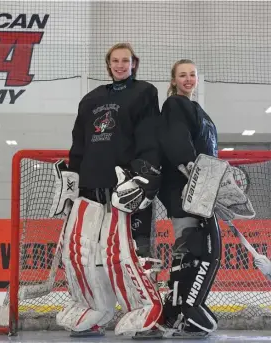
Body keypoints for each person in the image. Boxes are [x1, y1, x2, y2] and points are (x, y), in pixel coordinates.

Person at [49, 42, 163, 338]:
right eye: (115, 60)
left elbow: (149, 137)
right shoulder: (90, 99)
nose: (121, 65)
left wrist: (143, 177)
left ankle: (143, 310)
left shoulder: (144, 92)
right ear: (108, 64)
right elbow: (79, 145)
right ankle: (94, 309)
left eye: (126, 60)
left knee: (124, 256)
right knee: (79, 254)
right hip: (90, 191)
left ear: (134, 63)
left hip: (123, 192)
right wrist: (72, 182)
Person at [157, 59, 222, 337]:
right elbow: (176, 139)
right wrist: (188, 168)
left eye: (192, 75)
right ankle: (179, 311)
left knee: (196, 249)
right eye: (182, 75)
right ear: (173, 81)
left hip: (200, 189)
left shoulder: (198, 109)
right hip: (184, 189)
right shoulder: (175, 105)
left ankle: (181, 310)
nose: (187, 79)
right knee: (188, 247)